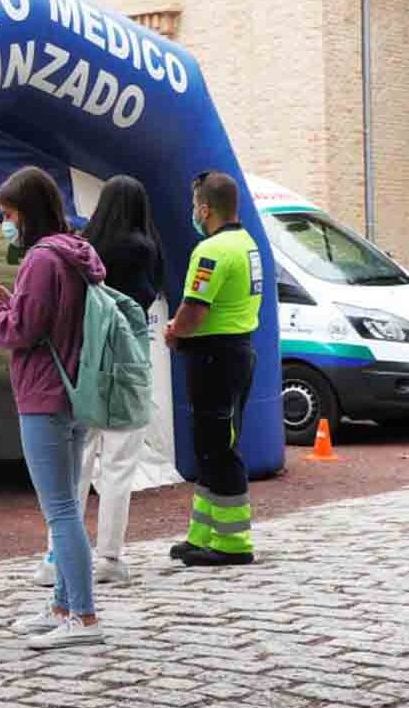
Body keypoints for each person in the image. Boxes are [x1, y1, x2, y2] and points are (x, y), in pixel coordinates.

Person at [0, 166, 107, 650]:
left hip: (44, 394)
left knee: (60, 511)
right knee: (67, 505)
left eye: (8, 215)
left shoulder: (40, 260)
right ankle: (63, 606)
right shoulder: (75, 253)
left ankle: (83, 617)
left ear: (26, 213)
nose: (6, 224)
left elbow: (18, 332)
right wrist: (11, 301)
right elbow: (41, 316)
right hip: (75, 391)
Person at [31, 174, 162, 586]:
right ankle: (110, 555)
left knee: (74, 465)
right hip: (129, 366)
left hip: (85, 365)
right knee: (119, 467)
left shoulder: (85, 249)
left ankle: (59, 554)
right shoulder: (148, 249)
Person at [165, 170, 262, 567]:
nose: (193, 212)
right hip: (235, 352)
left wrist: (173, 330)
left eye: (194, 205)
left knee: (218, 447)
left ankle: (233, 543)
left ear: (205, 208)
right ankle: (202, 533)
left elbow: (195, 309)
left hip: (213, 356)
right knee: (210, 445)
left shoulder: (212, 251)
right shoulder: (247, 243)